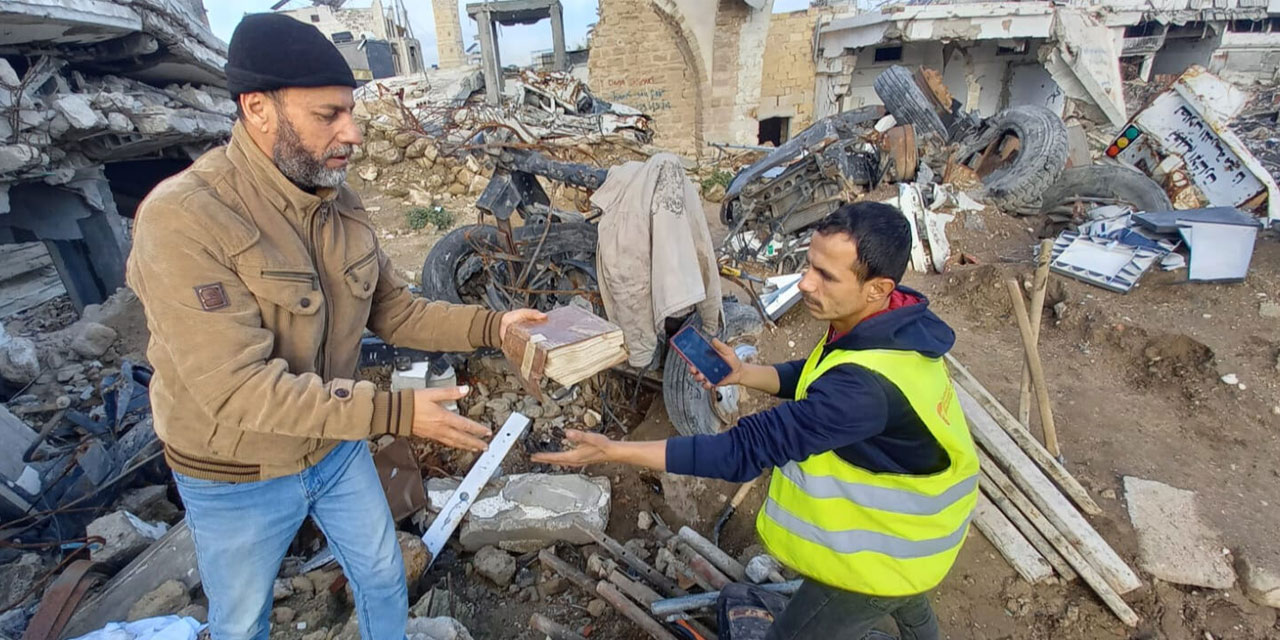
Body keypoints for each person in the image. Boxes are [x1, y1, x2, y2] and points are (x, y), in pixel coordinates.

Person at [125, 14, 543, 640]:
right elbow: (236, 389)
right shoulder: (185, 218)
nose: (353, 132)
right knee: (242, 620)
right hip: (236, 471)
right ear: (258, 108)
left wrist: (496, 325)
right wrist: (395, 413)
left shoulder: (338, 202)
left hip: (333, 446)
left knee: (383, 576)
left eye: (351, 111)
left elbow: (397, 311)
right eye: (328, 115)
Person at [534, 202, 979, 640]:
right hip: (920, 528)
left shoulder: (863, 391)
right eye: (809, 265)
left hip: (878, 557)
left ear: (878, 288)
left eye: (826, 275)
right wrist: (745, 373)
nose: (805, 283)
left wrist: (614, 450)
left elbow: (744, 449)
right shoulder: (891, 326)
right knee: (908, 597)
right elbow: (818, 375)